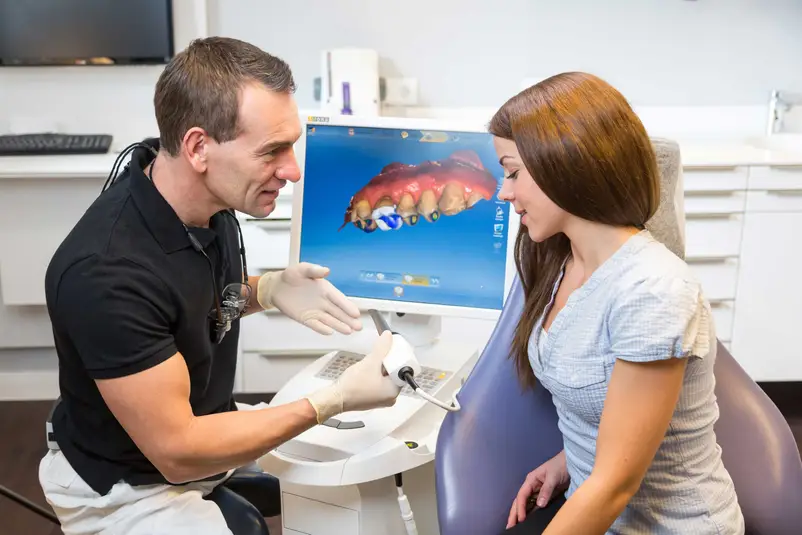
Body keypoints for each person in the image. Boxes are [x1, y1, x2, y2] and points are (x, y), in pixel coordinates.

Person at [38, 36, 402, 534]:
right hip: (133, 485)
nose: (293, 170)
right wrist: (331, 400)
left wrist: (265, 290)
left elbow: (187, 299)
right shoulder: (105, 273)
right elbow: (178, 452)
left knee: (362, 458)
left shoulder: (200, 201)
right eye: (271, 151)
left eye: (291, 144)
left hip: (200, 424)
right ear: (198, 147)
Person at [490, 72, 745, 534]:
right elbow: (612, 411)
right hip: (595, 505)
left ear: (564, 163)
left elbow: (614, 486)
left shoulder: (652, 291)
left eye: (512, 172)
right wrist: (570, 459)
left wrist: (595, 472)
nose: (504, 192)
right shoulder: (562, 261)